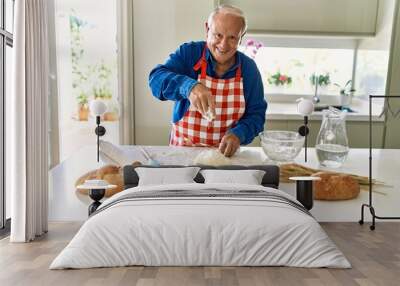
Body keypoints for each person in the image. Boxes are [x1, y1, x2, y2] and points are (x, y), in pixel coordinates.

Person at [149, 4, 267, 157]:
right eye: (218, 35)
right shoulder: (189, 53)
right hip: (181, 155)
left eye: (232, 37)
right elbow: (155, 79)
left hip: (225, 158)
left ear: (241, 37)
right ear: (207, 29)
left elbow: (256, 115)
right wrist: (188, 87)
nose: (223, 45)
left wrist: (239, 134)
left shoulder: (249, 69)